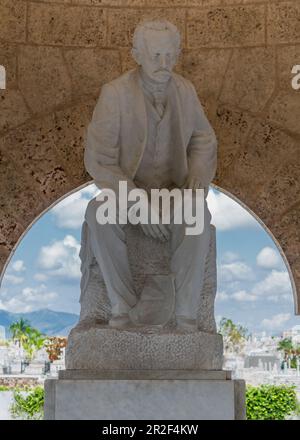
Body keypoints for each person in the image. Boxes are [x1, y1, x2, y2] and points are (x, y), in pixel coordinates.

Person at [83, 19, 217, 329]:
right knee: (97, 212)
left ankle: (185, 314)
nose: (164, 63)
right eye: (156, 55)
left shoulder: (185, 90)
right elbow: (99, 158)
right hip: (127, 192)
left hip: (171, 193)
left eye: (170, 55)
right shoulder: (114, 94)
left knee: (198, 214)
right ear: (136, 55)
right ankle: (123, 306)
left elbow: (203, 139)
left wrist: (197, 177)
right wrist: (136, 203)